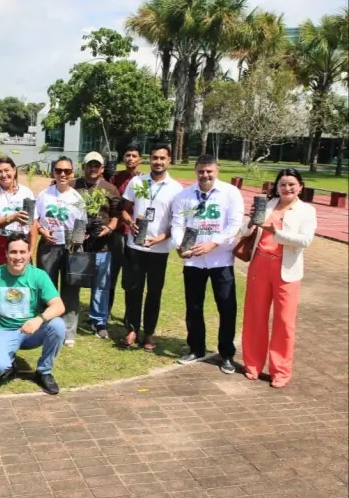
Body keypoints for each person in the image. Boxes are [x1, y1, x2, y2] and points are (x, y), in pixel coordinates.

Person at [240, 169, 316, 388]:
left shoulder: (306, 210)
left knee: (284, 321)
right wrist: (251, 220)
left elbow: (305, 240)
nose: (287, 188)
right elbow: (245, 231)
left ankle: (280, 370)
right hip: (260, 265)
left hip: (287, 270)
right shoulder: (268, 204)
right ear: (277, 186)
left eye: (292, 184)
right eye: (282, 184)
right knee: (255, 316)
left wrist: (276, 232)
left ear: (300, 187)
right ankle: (252, 364)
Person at [171, 154, 244, 374]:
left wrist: (213, 243)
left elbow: (234, 224)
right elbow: (177, 224)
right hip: (193, 261)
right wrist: (179, 245)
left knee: (226, 308)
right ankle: (196, 348)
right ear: (195, 171)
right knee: (194, 306)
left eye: (209, 171)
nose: (205, 175)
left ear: (217, 170)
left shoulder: (230, 193)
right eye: (201, 171)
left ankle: (227, 354)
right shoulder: (184, 196)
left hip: (221, 260)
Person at [0, 232, 66, 395]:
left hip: (31, 330)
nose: (18, 257)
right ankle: (9, 365)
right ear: (6, 254)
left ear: (29, 254)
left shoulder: (39, 276)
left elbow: (59, 306)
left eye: (22, 252)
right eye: (13, 252)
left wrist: (38, 319)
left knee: (58, 325)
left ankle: (44, 372)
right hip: (3, 330)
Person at [119, 143, 183, 350]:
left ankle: (149, 333)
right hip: (135, 247)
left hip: (159, 250)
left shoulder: (176, 188)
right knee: (133, 290)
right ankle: (131, 329)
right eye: (155, 157)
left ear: (169, 160)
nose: (158, 162)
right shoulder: (137, 182)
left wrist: (161, 238)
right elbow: (123, 209)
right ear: (149, 159)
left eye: (162, 158)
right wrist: (130, 223)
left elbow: (178, 221)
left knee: (154, 292)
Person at [34, 156, 86, 346]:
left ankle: (68, 330)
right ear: (53, 172)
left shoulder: (77, 198)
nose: (63, 174)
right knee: (46, 287)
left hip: (71, 248)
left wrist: (77, 239)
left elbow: (82, 224)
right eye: (58, 170)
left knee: (70, 288)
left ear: (72, 173)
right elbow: (35, 219)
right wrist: (42, 231)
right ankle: (45, 325)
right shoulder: (44, 195)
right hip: (49, 246)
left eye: (67, 171)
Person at [0, 156, 36, 336]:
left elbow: (33, 224)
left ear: (14, 170)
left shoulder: (26, 192)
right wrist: (12, 217)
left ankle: (20, 322)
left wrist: (31, 250)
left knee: (21, 282)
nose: (4, 175)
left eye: (7, 170)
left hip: (21, 241)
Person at [73, 152, 121, 339]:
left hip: (102, 244)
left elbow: (116, 215)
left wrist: (108, 228)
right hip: (78, 244)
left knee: (101, 284)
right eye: (89, 165)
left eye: (96, 165)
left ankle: (99, 320)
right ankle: (71, 318)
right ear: (83, 167)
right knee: (73, 282)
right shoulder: (73, 186)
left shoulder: (110, 189)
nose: (93, 169)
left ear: (102, 168)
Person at [109, 144, 143, 318]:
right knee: (111, 273)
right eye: (128, 155)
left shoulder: (144, 180)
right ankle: (105, 312)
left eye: (134, 156)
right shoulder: (115, 178)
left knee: (131, 275)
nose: (130, 158)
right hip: (117, 232)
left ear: (140, 159)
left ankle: (129, 315)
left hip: (134, 233)